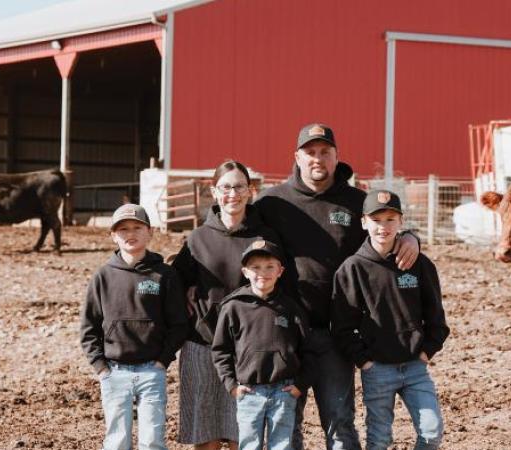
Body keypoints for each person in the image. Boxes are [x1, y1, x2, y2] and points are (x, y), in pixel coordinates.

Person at [255, 123, 420, 450]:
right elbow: (238, 242)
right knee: (284, 422)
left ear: (336, 156)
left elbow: (385, 232)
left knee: (340, 421)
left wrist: (411, 236)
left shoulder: (356, 202)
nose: (318, 159)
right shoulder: (272, 203)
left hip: (336, 334)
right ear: (297, 157)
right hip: (286, 332)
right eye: (311, 152)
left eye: (325, 152)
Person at [171, 160, 282, 449]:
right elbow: (175, 283)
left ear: (250, 191)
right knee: (205, 433)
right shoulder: (197, 239)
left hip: (248, 348)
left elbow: (281, 284)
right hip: (202, 345)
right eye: (226, 187)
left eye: (239, 187)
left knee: (242, 434)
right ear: (214, 192)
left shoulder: (264, 238)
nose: (232, 193)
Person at [331, 190, 450, 450]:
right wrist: (365, 361)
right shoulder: (353, 269)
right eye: (376, 220)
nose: (383, 227)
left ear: (401, 222)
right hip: (378, 370)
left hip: (415, 367)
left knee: (431, 431)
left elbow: (436, 318)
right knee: (379, 439)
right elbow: (342, 326)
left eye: (390, 219)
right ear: (363, 222)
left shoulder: (419, 264)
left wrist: (426, 351)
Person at [79, 203, 191, 450]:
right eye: (123, 229)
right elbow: (89, 327)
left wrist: (162, 360)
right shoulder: (103, 276)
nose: (131, 234)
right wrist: (101, 367)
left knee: (152, 441)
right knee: (117, 440)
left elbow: (179, 324)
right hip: (114, 371)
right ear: (113, 236)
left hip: (152, 371)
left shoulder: (164, 275)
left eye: (137, 227)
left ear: (149, 232)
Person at [212, 240, 310, 450]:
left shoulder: (290, 307)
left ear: (280, 271)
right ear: (245, 271)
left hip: (283, 390)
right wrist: (231, 385)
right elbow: (221, 350)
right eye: (255, 267)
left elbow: (307, 349)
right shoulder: (233, 307)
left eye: (269, 267)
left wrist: (300, 384)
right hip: (249, 391)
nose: (262, 273)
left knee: (282, 445)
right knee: (248, 444)